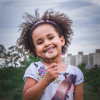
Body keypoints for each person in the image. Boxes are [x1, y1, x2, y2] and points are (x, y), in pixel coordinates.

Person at [17, 9, 84, 100]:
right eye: (40, 42)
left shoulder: (75, 73)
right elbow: (26, 98)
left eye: (51, 37)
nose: (46, 43)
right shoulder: (34, 68)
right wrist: (45, 81)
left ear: (62, 40)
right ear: (36, 51)